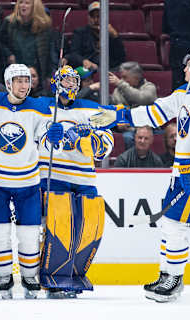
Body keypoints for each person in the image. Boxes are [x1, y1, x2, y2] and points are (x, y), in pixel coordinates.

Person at [90, 47, 190, 302]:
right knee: (168, 221)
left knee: (175, 223)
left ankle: (175, 280)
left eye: (189, 62)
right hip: (187, 167)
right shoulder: (185, 92)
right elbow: (156, 112)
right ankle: (167, 273)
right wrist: (120, 114)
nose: (185, 66)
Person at [0, 63, 63, 299]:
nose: (24, 85)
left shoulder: (39, 108)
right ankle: (4, 277)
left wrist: (53, 138)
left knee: (29, 233)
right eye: (18, 80)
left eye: (27, 80)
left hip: (27, 182)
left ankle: (29, 277)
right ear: (8, 83)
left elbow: (46, 145)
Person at [38, 65, 113, 299]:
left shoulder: (91, 108)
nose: (71, 85)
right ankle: (52, 276)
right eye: (66, 80)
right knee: (59, 228)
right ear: (55, 83)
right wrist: (51, 138)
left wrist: (91, 140)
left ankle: (75, 274)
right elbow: (35, 141)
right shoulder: (42, 107)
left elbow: (107, 141)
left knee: (91, 225)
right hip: (53, 177)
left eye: (74, 81)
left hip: (85, 177)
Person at [0, 0, 52, 82]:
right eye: (21, 2)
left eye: (27, 3)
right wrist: (9, 55)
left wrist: (49, 74)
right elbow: (0, 42)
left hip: (37, 70)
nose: (23, 5)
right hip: (15, 67)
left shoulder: (43, 25)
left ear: (35, 7)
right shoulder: (9, 22)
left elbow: (48, 51)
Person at [66, 1, 125, 72]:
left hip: (110, 68)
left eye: (99, 16)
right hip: (88, 67)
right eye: (92, 16)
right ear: (88, 17)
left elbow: (121, 58)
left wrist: (115, 36)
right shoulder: (80, 32)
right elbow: (73, 53)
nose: (96, 20)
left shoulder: (111, 33)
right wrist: (83, 60)